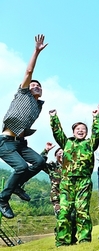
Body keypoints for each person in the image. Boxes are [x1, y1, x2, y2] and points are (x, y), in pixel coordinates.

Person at [0, 34, 48, 219]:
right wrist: (36, 52)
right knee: (20, 167)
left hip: (20, 142)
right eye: (33, 85)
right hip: (5, 142)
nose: (35, 86)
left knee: (39, 162)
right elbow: (28, 72)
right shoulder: (22, 94)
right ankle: (3, 199)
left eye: (38, 86)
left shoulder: (38, 106)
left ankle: (17, 185)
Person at [49, 102, 99, 247]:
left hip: (84, 182)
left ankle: (84, 240)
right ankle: (62, 240)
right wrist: (54, 117)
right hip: (66, 182)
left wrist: (96, 117)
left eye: (83, 129)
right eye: (78, 129)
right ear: (73, 132)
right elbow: (57, 132)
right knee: (64, 211)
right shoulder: (66, 143)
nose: (81, 131)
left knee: (82, 211)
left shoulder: (90, 144)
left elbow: (97, 133)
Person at [41, 142, 77, 244]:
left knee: (73, 218)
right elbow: (39, 162)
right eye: (59, 153)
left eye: (63, 153)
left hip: (71, 196)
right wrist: (46, 151)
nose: (61, 154)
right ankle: (60, 240)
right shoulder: (52, 167)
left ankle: (72, 239)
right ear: (56, 156)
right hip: (57, 197)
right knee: (61, 217)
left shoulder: (72, 166)